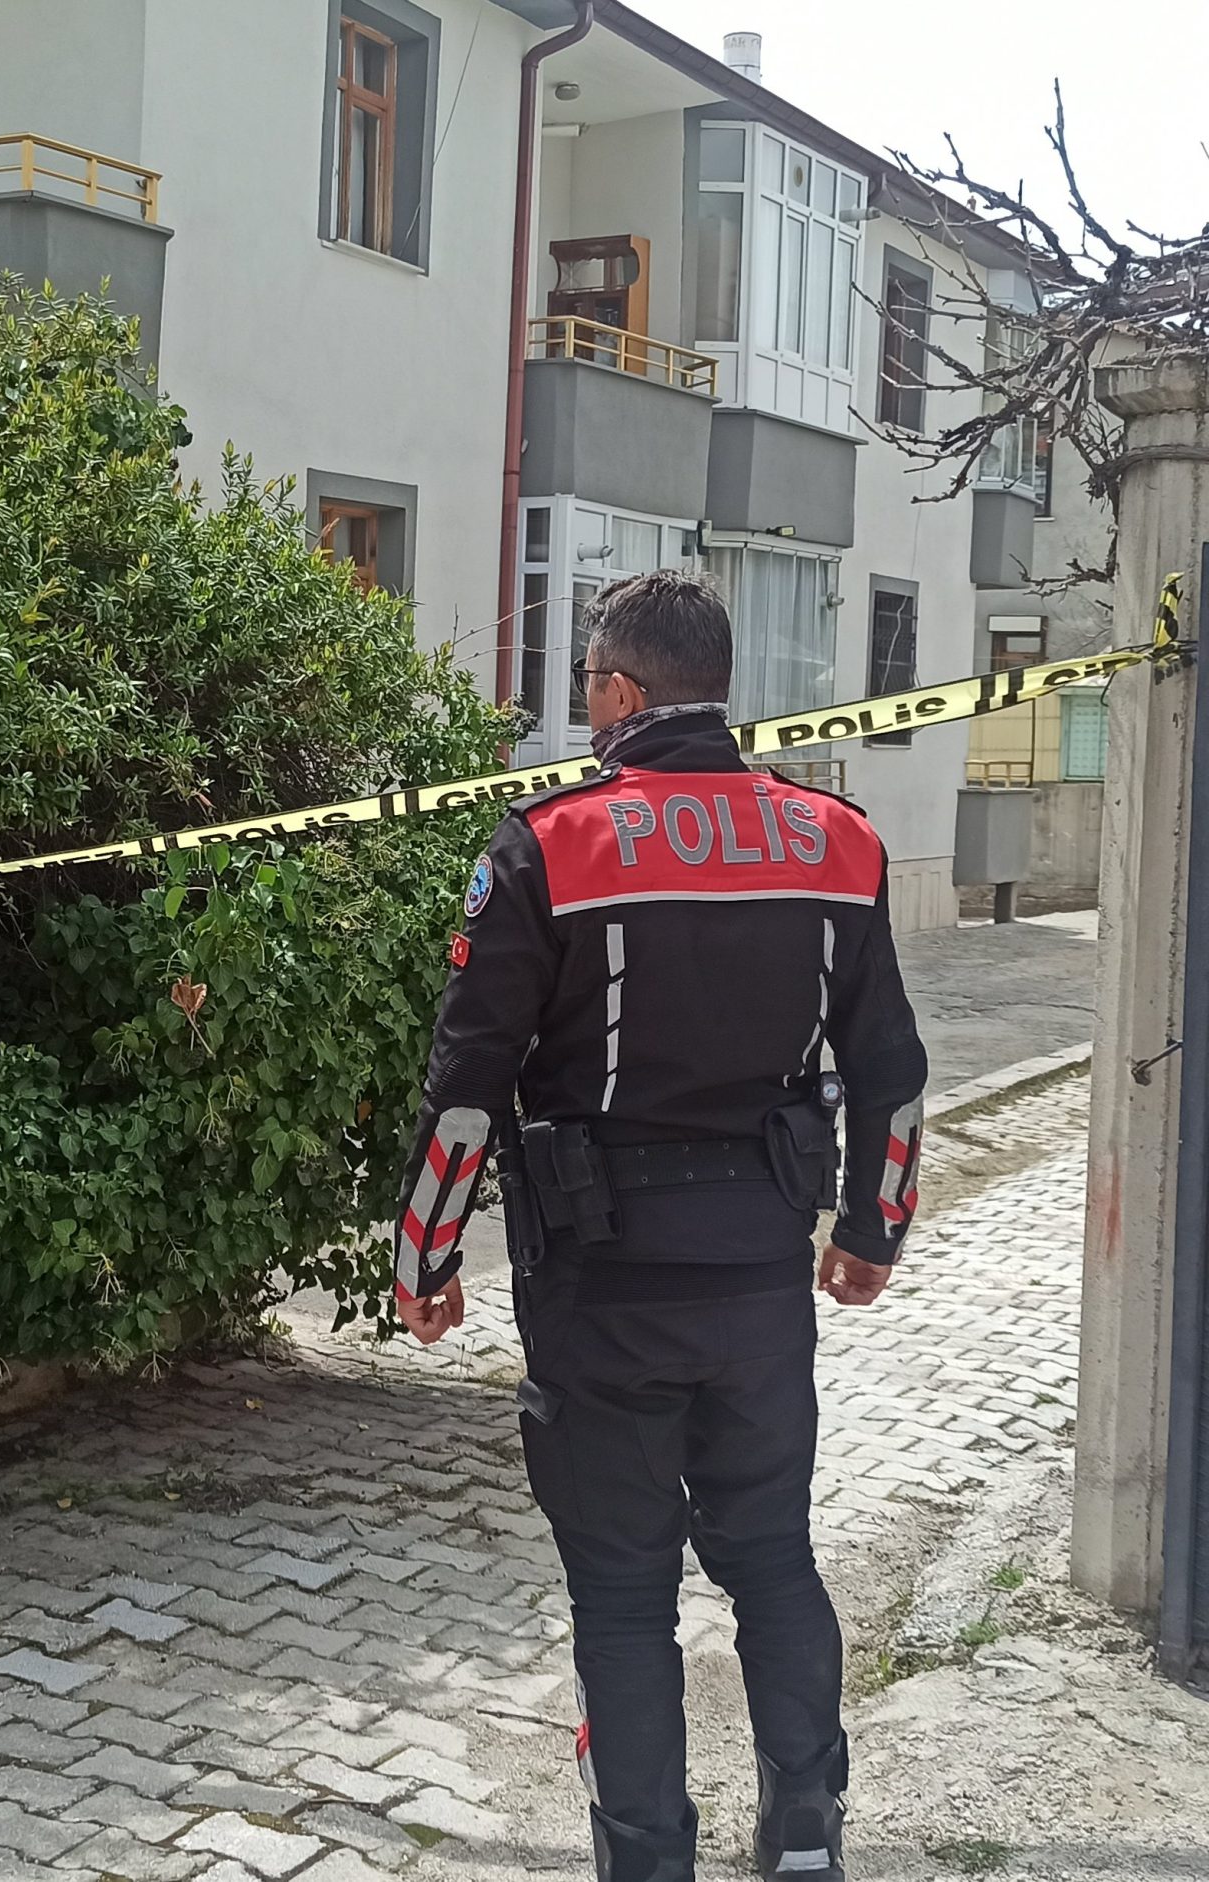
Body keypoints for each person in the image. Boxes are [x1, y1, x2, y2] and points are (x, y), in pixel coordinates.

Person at [391, 569, 927, 1882]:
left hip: (601, 1285)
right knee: (774, 1560)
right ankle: (805, 1836)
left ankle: (647, 1859)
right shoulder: (837, 840)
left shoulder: (548, 844)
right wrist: (874, 1228)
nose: (585, 704)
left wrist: (425, 1256)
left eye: (588, 682)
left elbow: (467, 1089)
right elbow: (892, 1070)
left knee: (625, 1596)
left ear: (623, 692)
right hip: (760, 1282)